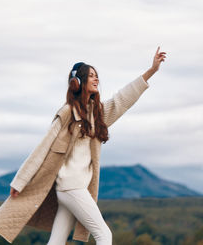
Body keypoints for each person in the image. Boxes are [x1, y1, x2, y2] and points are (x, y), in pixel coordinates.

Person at [9, 47, 166, 245]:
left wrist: (151, 70)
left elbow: (123, 99)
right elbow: (43, 147)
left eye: (96, 75)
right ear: (77, 83)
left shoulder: (97, 114)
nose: (96, 79)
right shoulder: (67, 113)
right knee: (104, 235)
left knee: (56, 241)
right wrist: (20, 181)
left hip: (73, 188)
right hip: (71, 186)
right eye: (91, 76)